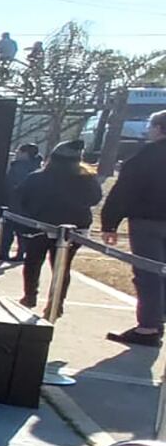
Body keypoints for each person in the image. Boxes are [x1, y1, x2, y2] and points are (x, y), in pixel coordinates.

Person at [100, 108, 166, 347]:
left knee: (148, 274)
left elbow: (123, 192)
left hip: (147, 222)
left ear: (158, 129)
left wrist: (110, 223)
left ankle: (148, 326)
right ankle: (157, 319)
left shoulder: (145, 157)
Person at [16, 140, 100, 313]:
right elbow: (95, 199)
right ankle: (57, 303)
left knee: (32, 261)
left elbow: (21, 197)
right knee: (62, 267)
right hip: (75, 228)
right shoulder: (87, 179)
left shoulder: (37, 177)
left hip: (41, 226)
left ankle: (30, 295)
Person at [0, 143, 41, 263]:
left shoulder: (19, 168)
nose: (16, 153)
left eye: (18, 151)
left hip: (14, 203)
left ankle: (3, 252)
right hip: (29, 204)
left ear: (25, 154)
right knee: (22, 231)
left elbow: (11, 185)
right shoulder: (37, 168)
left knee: (8, 230)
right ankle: (21, 252)